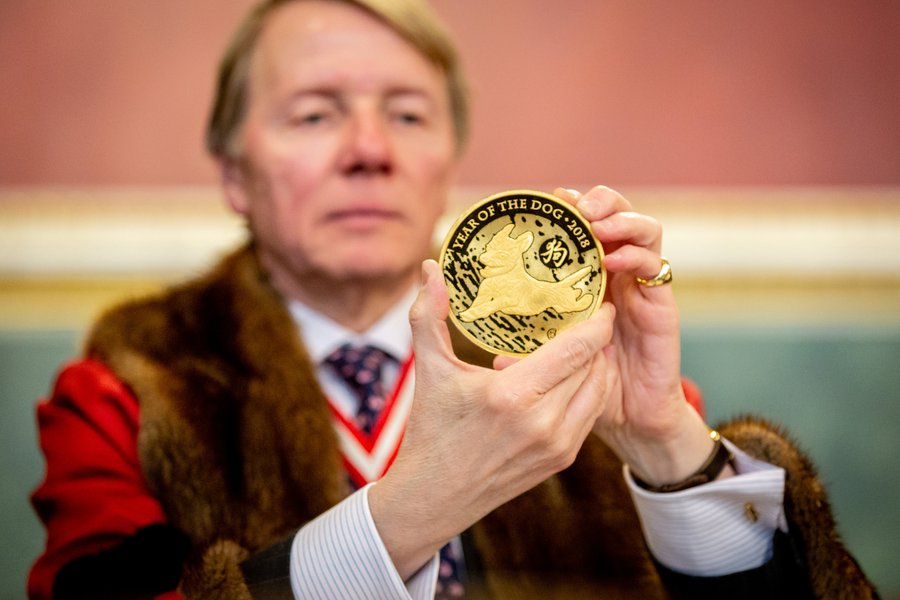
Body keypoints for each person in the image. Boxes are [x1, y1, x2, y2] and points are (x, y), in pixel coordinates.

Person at [28, 0, 877, 598]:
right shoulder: (125, 395)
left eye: (407, 116)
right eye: (315, 116)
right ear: (234, 176)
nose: (369, 150)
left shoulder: (578, 349)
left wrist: (665, 447)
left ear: (448, 165)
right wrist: (415, 509)